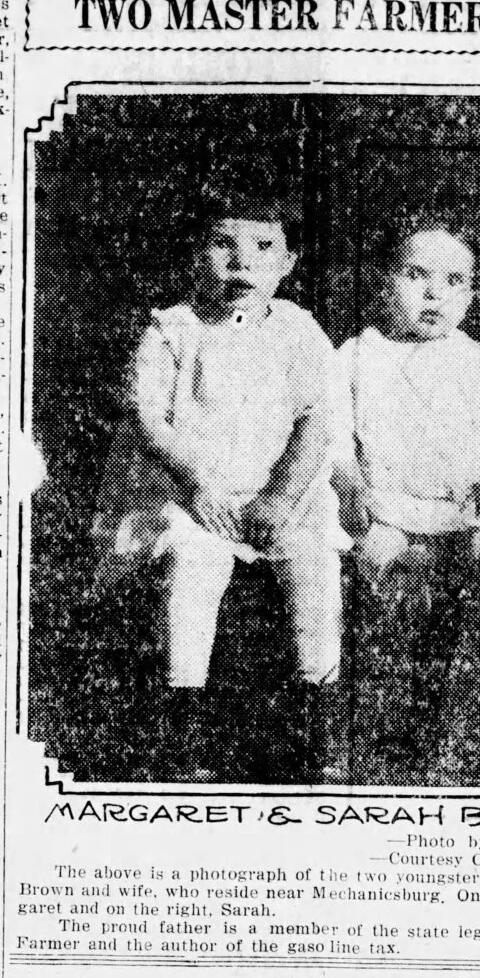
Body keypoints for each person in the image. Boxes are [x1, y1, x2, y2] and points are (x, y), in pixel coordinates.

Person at [93, 195, 348, 778]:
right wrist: (197, 486)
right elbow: (147, 418)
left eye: (262, 248)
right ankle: (183, 720)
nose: (242, 264)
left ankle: (314, 717)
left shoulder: (298, 330)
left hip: (274, 493)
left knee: (313, 561)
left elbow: (316, 420)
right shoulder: (173, 330)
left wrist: (280, 500)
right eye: (223, 246)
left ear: (286, 263)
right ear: (195, 257)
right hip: (181, 492)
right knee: (196, 559)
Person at [334, 222, 480, 627]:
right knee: (368, 533)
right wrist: (351, 486)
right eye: (416, 275)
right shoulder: (356, 355)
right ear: (384, 282)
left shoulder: (477, 361)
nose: (434, 294)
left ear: (469, 296)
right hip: (385, 495)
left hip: (467, 494)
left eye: (454, 281)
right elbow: (335, 433)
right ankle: (401, 574)